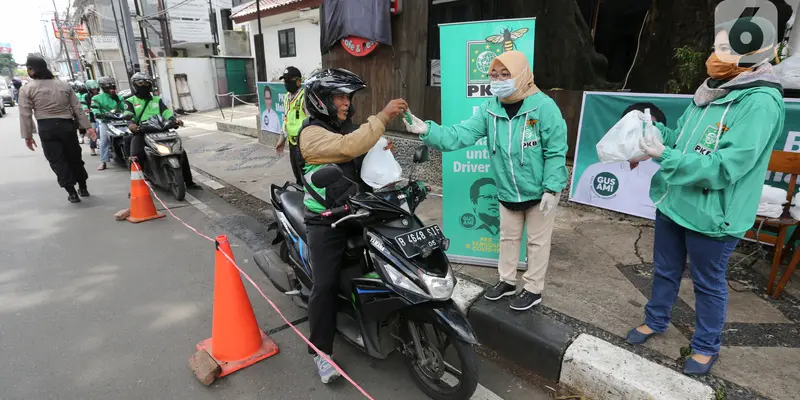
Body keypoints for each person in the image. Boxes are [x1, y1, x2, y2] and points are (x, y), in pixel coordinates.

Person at [626, 23, 785, 376]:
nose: (714, 57)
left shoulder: (760, 102)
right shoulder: (709, 92)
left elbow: (725, 167)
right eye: (715, 47)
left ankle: (705, 345)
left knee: (708, 284)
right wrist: (648, 136)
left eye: (726, 49)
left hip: (714, 214)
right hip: (674, 201)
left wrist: (664, 156)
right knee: (665, 271)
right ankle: (656, 319)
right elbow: (679, 140)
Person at [404, 50, 568, 311]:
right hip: (506, 189)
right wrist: (428, 130)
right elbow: (461, 134)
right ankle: (507, 281)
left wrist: (552, 187)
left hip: (540, 191)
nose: (498, 79)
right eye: (494, 74)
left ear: (522, 75)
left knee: (537, 242)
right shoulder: (490, 108)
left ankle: (534, 288)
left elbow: (556, 151)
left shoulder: (543, 107)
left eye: (506, 74)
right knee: (508, 237)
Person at [298, 68, 406, 383]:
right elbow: (348, 147)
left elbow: (361, 147)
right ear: (322, 101)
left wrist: (381, 151)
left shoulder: (346, 126)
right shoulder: (311, 134)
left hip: (356, 209)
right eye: (340, 97)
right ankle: (321, 352)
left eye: (348, 97)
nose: (347, 103)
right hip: (325, 221)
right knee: (325, 285)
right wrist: (383, 116)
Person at [18, 55, 97, 203]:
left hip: (46, 128)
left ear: (32, 70)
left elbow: (25, 114)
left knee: (57, 160)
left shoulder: (27, 89)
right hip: (66, 126)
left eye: (28, 68)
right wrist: (88, 127)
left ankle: (72, 193)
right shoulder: (63, 85)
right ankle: (83, 187)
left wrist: (28, 136)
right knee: (74, 157)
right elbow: (77, 108)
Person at [572, 103, 668, 219]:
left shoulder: (666, 178)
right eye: (631, 130)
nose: (636, 137)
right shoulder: (594, 171)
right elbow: (576, 213)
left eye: (644, 130)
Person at [123, 72, 200, 189]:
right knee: (135, 157)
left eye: (147, 83)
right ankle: (136, 187)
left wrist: (174, 120)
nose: (144, 86)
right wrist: (131, 124)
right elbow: (128, 114)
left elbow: (166, 112)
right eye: (140, 83)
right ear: (135, 85)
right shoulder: (130, 101)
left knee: (181, 152)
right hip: (142, 131)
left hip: (160, 129)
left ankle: (189, 182)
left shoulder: (156, 99)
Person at [275, 66, 306, 185]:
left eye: (290, 79)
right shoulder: (287, 98)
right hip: (293, 144)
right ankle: (300, 198)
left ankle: (309, 201)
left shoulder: (305, 97)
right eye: (285, 80)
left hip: (304, 144)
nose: (287, 82)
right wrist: (281, 138)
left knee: (306, 176)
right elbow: (286, 119)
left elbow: (313, 121)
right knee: (297, 175)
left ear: (299, 81)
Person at [91, 77, 126, 170]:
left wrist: (116, 99)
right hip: (106, 121)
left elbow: (124, 109)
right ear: (103, 87)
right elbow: (95, 109)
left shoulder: (119, 97)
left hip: (120, 120)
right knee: (104, 141)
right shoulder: (96, 98)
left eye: (112, 86)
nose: (110, 88)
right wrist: (99, 114)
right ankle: (103, 162)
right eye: (108, 86)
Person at [84, 79, 100, 156]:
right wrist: (88, 109)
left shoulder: (100, 96)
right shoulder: (87, 97)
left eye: (96, 89)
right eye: (93, 89)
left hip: (101, 116)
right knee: (93, 131)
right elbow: (86, 106)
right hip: (92, 117)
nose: (95, 91)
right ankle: (92, 148)